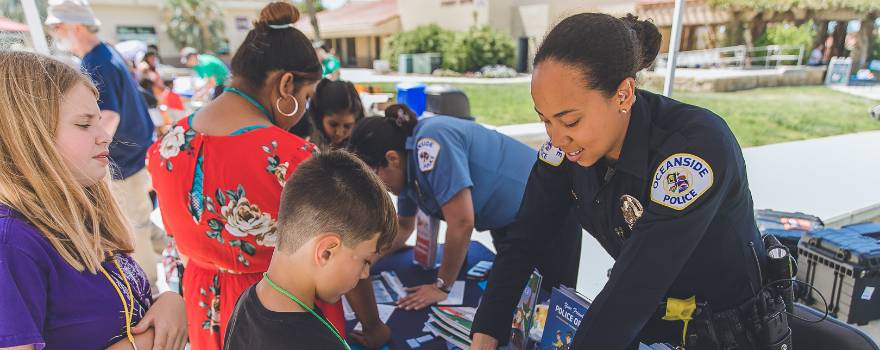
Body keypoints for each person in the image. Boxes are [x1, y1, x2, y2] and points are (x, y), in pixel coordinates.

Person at [469, 13, 769, 350]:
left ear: (624, 94)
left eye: (570, 120)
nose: (557, 138)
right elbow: (524, 241)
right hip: (649, 321)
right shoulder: (566, 150)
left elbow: (635, 286)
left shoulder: (695, 150)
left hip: (728, 333)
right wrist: (486, 333)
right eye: (545, 120)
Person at [147, 2, 390, 349]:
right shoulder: (293, 159)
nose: (304, 107)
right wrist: (373, 325)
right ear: (286, 84)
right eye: (306, 96)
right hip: (280, 313)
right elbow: (346, 251)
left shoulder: (167, 145)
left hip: (203, 307)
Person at [0, 50, 187, 350]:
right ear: (27, 135)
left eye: (99, 121)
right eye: (84, 124)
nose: (105, 136)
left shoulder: (77, 215)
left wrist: (168, 303)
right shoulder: (12, 244)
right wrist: (141, 344)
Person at [347, 104, 581, 311]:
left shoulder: (431, 141)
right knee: (514, 305)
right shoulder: (406, 169)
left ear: (392, 159)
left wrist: (442, 286)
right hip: (509, 222)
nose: (378, 188)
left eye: (374, 177)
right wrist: (366, 260)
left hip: (551, 214)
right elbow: (404, 226)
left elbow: (461, 222)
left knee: (549, 310)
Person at [224, 150, 397, 350]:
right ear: (326, 252)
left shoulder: (248, 300)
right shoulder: (320, 344)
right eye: (366, 261)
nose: (365, 273)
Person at [46, 0, 164, 290]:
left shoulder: (95, 61)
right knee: (140, 220)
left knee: (133, 228)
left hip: (123, 161)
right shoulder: (107, 51)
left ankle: (150, 291)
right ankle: (176, 246)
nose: (55, 33)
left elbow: (108, 115)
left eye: (57, 26)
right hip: (136, 155)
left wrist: (89, 152)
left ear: (74, 25)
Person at [308, 79, 365, 150]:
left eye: (347, 126)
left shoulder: (362, 147)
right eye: (333, 124)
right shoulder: (305, 144)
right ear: (319, 118)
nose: (339, 133)